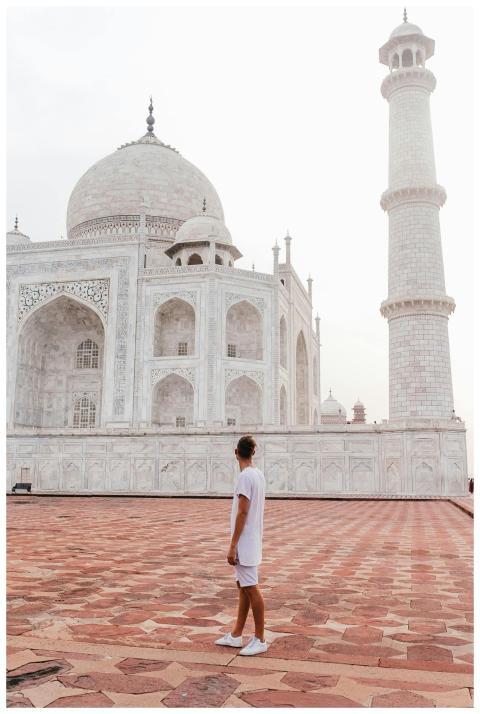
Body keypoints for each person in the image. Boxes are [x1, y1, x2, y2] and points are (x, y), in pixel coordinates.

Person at [215, 434, 267, 655]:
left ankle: (260, 638)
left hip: (244, 543)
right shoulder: (258, 475)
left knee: (251, 588)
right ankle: (236, 634)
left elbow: (242, 512)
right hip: (252, 539)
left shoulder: (245, 477)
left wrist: (232, 545)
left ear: (235, 452)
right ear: (253, 453)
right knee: (243, 588)